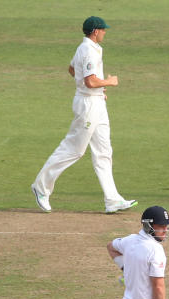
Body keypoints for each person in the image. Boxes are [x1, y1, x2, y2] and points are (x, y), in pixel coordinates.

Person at [31, 16, 136, 214]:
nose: (105, 32)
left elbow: (73, 69)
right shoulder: (88, 50)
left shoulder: (88, 48)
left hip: (96, 103)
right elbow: (90, 81)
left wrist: (96, 89)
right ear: (95, 31)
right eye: (103, 30)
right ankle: (41, 187)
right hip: (88, 105)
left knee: (104, 151)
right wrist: (108, 82)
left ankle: (112, 199)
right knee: (74, 149)